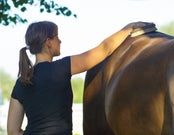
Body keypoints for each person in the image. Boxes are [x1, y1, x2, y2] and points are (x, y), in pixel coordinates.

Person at [7, 21, 150, 135]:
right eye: (57, 36)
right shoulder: (61, 68)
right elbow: (104, 49)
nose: (60, 41)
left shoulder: (21, 83)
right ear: (48, 42)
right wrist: (129, 28)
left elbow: (12, 131)